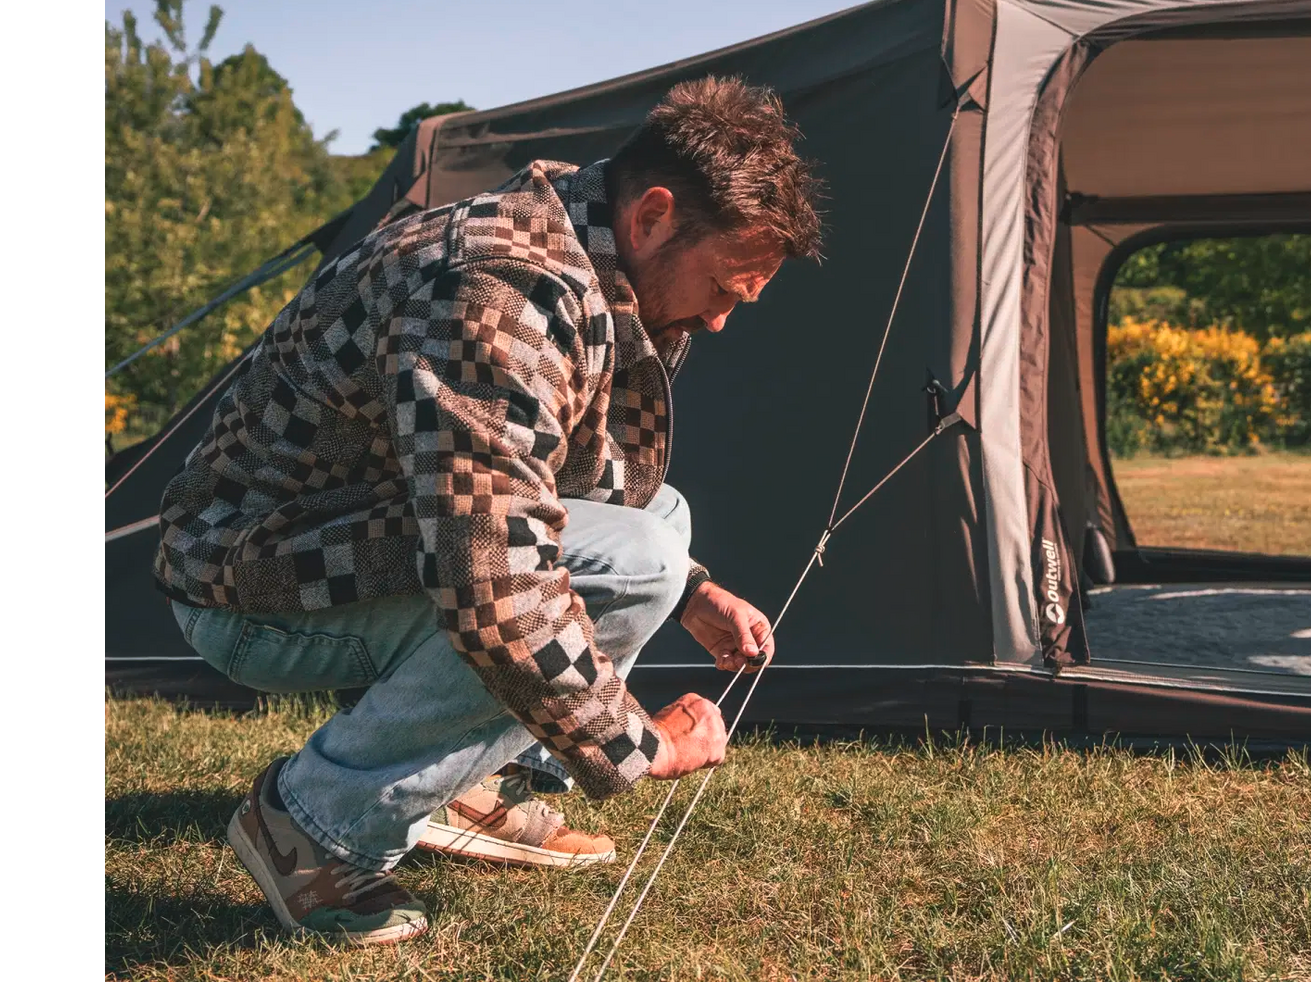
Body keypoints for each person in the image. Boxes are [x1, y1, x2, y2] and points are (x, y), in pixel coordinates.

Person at [153, 75, 824, 945]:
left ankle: (458, 785)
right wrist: (642, 746)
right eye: (726, 288)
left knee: (661, 521)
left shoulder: (567, 242)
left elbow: (566, 480)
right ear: (654, 215)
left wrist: (694, 590)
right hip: (253, 589)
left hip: (349, 541)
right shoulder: (506, 290)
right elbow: (492, 575)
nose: (724, 320)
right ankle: (315, 824)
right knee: (634, 563)